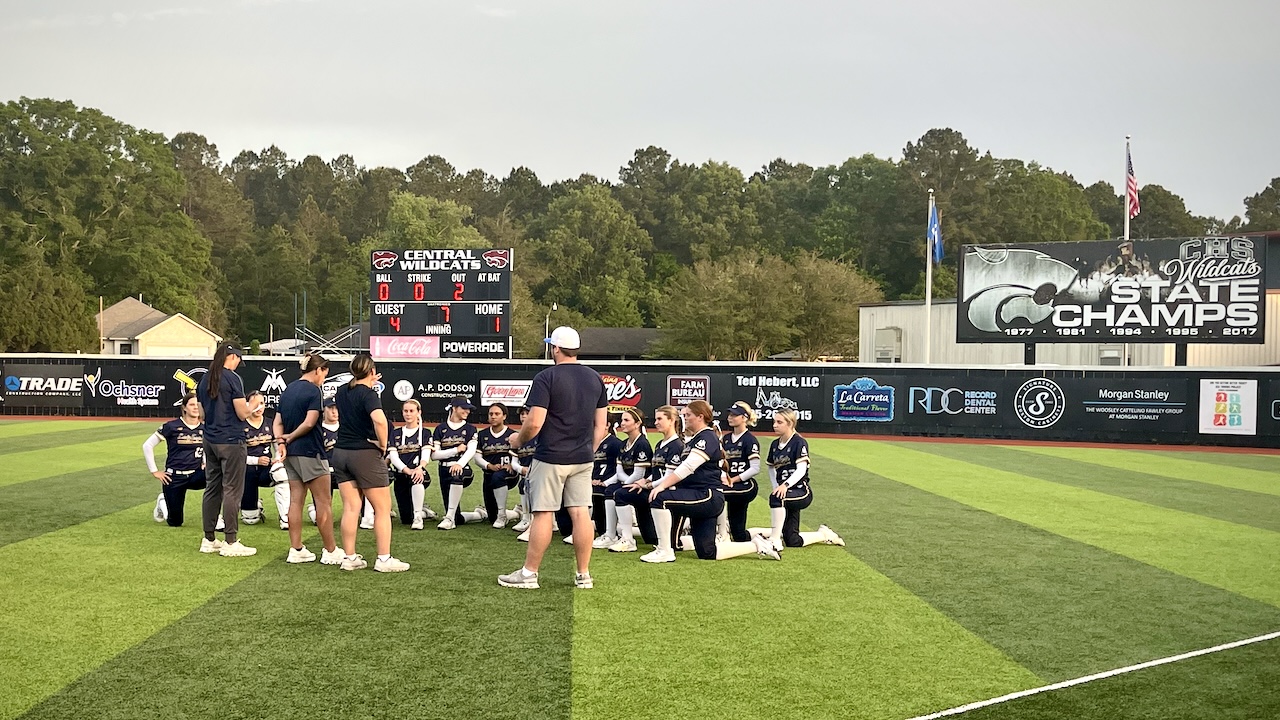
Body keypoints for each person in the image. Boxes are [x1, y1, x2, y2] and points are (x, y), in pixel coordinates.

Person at [498, 326, 607, 590]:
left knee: (543, 514)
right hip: (582, 458)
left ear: (555, 348)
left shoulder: (546, 377)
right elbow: (601, 426)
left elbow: (535, 422)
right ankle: (583, 575)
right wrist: (588, 450)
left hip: (551, 457)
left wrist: (517, 440)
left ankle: (529, 573)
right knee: (581, 514)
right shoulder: (595, 378)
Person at [642, 400, 776, 563]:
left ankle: (664, 550)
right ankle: (757, 544)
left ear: (700, 417)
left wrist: (661, 485)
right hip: (701, 496)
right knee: (707, 552)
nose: (685, 418)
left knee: (659, 499)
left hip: (706, 496)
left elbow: (688, 467)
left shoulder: (706, 437)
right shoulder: (696, 438)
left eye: (688, 415)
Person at [331, 354, 409, 572]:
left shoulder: (342, 391)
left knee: (350, 507)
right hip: (363, 453)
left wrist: (368, 381)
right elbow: (380, 420)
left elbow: (354, 391)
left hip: (341, 452)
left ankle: (349, 557)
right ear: (372, 371)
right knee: (382, 508)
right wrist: (383, 445)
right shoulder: (369, 394)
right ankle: (384, 559)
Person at [273, 353, 341, 565]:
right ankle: (330, 550)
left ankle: (296, 549)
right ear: (318, 370)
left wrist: (282, 442)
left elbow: (277, 422)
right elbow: (310, 422)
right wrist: (291, 437)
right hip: (311, 451)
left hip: (291, 454)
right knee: (323, 502)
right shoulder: (314, 391)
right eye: (324, 374)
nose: (323, 379)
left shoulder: (288, 389)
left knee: (296, 501)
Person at [196, 342, 256, 557]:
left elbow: (201, 414)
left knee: (212, 488)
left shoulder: (205, 379)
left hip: (210, 439)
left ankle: (209, 538)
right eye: (238, 359)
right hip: (231, 440)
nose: (238, 363)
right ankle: (230, 541)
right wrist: (254, 405)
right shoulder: (232, 378)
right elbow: (242, 413)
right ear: (232, 357)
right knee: (232, 489)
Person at [755, 409, 844, 553]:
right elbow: (771, 467)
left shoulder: (799, 442)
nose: (774, 425)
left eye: (779, 422)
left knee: (776, 498)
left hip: (800, 491)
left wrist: (785, 485)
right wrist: (776, 485)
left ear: (790, 424)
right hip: (786, 491)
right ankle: (823, 534)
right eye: (774, 421)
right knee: (792, 540)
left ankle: (774, 540)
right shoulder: (775, 444)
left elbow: (801, 469)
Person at [611, 404, 682, 553]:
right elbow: (656, 471)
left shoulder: (676, 445)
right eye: (655, 419)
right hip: (654, 489)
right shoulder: (660, 444)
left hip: (667, 492)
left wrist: (648, 485)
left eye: (660, 419)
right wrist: (644, 481)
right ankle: (623, 537)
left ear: (671, 421)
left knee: (621, 494)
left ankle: (628, 540)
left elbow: (670, 477)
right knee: (651, 538)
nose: (655, 423)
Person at [143, 393, 205, 527]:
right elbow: (147, 445)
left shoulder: (205, 428)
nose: (195, 408)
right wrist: (154, 471)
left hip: (196, 474)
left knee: (218, 480)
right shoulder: (171, 426)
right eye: (192, 405)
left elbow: (207, 448)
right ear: (184, 408)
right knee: (175, 522)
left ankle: (217, 518)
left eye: (197, 405)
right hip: (174, 477)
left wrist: (205, 462)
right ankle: (163, 502)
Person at [430, 396, 486, 529]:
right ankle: (479, 514)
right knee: (456, 515)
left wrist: (459, 464)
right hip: (444, 470)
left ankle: (449, 519)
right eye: (464, 408)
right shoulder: (440, 429)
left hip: (462, 469)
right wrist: (455, 450)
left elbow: (471, 450)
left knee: (457, 476)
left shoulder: (470, 429)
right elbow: (434, 455)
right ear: (454, 408)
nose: (467, 411)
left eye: (469, 409)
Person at [604, 407, 653, 553]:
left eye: (626, 420)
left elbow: (639, 473)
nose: (622, 423)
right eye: (622, 420)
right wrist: (622, 483)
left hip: (643, 487)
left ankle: (628, 540)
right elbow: (619, 471)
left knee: (620, 493)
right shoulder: (623, 444)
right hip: (630, 483)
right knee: (609, 490)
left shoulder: (642, 444)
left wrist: (624, 485)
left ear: (637, 424)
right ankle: (610, 535)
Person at [240, 391, 290, 530]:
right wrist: (256, 460)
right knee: (250, 519)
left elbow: (278, 447)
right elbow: (236, 456)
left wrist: (277, 459)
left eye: (261, 403)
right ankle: (252, 505)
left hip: (266, 468)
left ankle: (286, 517)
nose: (259, 407)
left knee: (280, 471)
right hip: (246, 470)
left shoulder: (270, 423)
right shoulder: (240, 425)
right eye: (255, 403)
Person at [388, 399, 435, 530]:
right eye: (405, 411)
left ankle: (418, 517)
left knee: (416, 478)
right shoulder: (396, 433)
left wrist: (419, 468)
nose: (408, 414)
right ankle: (424, 512)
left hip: (418, 472)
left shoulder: (425, 433)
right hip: (402, 475)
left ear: (418, 412)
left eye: (411, 411)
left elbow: (426, 455)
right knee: (406, 519)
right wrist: (407, 470)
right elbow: (393, 457)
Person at [719, 401, 762, 543]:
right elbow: (721, 463)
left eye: (734, 415)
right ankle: (765, 534)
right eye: (730, 414)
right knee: (738, 534)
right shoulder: (726, 439)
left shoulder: (750, 440)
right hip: (730, 484)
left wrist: (733, 479)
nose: (730, 417)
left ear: (744, 418)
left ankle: (721, 532)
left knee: (718, 494)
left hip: (745, 485)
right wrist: (724, 477)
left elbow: (755, 468)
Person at [476, 403, 522, 528]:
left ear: (504, 416)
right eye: (491, 414)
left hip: (508, 474)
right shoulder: (482, 434)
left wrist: (512, 464)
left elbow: (521, 455)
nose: (493, 416)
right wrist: (488, 465)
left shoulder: (513, 434)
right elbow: (477, 458)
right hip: (489, 474)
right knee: (492, 517)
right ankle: (516, 513)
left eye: (497, 414)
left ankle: (502, 515)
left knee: (498, 477)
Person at [589, 416, 624, 548]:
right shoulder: (591, 442)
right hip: (592, 481)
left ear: (607, 425)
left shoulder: (615, 444)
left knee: (599, 493)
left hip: (608, 483)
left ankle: (609, 533)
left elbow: (619, 469)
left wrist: (605, 482)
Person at [307, 398, 340, 525]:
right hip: (324, 471)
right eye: (330, 408)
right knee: (321, 520)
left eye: (336, 408)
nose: (334, 412)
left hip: (343, 471)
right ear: (323, 410)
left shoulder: (345, 428)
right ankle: (315, 510)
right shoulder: (318, 430)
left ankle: (365, 514)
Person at [508, 405, 538, 536]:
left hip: (541, 472)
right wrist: (521, 469)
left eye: (527, 413)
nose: (524, 416)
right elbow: (514, 462)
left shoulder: (541, 435)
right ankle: (526, 518)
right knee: (523, 485)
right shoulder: (518, 437)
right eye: (522, 414)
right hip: (526, 475)